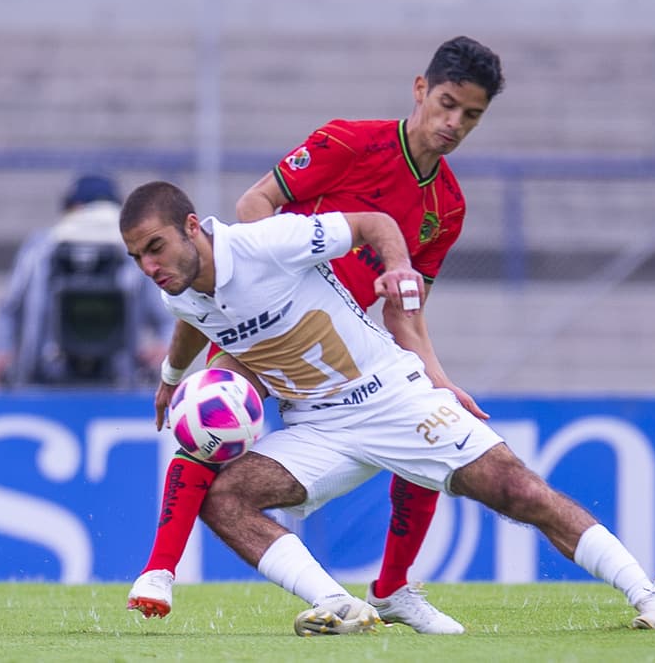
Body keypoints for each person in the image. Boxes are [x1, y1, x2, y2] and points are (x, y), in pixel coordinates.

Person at [119, 180, 655, 636]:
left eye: (155, 247)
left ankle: (647, 594)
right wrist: (172, 378)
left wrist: (397, 268)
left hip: (390, 397)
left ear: (192, 227)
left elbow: (373, 224)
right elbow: (192, 320)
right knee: (224, 499)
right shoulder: (178, 288)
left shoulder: (266, 242)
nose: (149, 266)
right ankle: (339, 606)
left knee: (518, 491)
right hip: (318, 427)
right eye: (137, 256)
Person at [126, 37, 501, 633]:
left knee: (425, 417)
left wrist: (437, 375)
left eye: (471, 115)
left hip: (344, 345)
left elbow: (409, 306)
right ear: (421, 89)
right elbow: (256, 205)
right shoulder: (351, 141)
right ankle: (158, 572)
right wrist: (282, 287)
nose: (454, 123)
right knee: (207, 419)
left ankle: (394, 588)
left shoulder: (448, 204)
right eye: (447, 104)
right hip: (272, 323)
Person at [0, 172, 173, 387]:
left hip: (116, 377)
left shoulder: (133, 254)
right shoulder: (41, 251)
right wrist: (3, 351)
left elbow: (167, 316)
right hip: (46, 375)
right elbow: (9, 309)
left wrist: (164, 347)